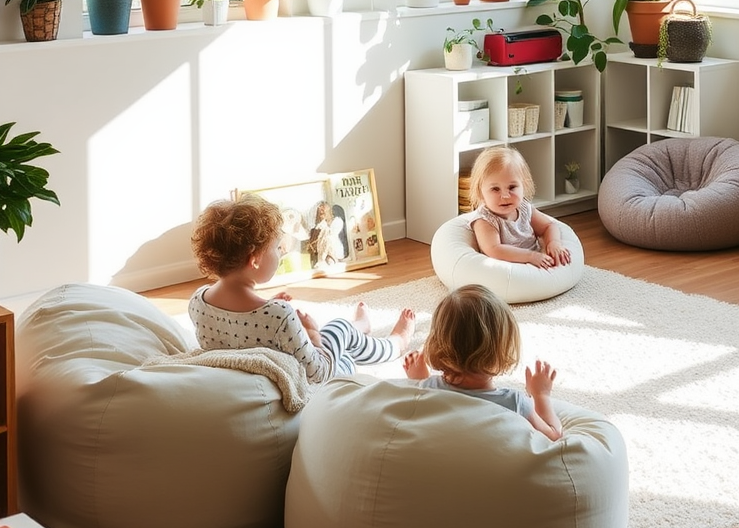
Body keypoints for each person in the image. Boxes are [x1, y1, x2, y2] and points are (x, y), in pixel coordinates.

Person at [189, 196, 415, 383]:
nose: (281, 253)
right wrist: (314, 335)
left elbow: (240, 329)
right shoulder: (278, 316)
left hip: (248, 380)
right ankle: (394, 344)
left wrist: (266, 304)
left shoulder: (198, 301)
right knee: (338, 332)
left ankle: (359, 329)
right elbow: (318, 373)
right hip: (318, 385)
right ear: (254, 260)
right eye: (277, 248)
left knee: (339, 338)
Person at [402, 283, 562, 440]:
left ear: (438, 343)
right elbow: (553, 436)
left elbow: (425, 407)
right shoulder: (514, 404)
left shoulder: (428, 388)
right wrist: (541, 395)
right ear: (502, 349)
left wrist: (420, 380)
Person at [467, 145, 572, 268]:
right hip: (509, 270)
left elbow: (548, 226)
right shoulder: (485, 220)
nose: (505, 196)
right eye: (495, 189)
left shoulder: (524, 208)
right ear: (480, 192)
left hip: (536, 261)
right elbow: (494, 250)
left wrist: (554, 243)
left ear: (524, 185)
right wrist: (530, 256)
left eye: (512, 187)